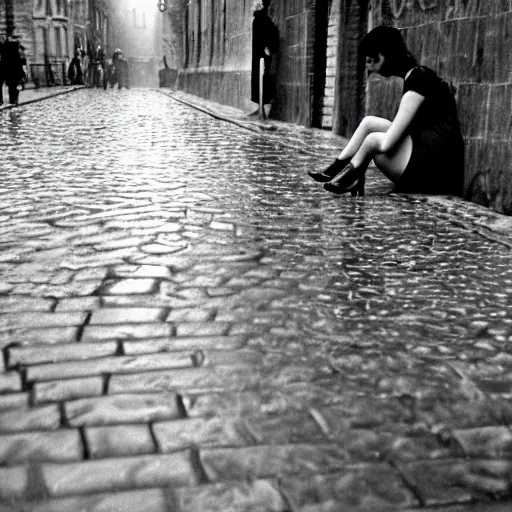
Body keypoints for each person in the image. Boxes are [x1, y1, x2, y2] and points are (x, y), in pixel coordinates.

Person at [309, 25, 464, 197]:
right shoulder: (417, 75)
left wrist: (366, 151)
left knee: (374, 140)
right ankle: (338, 168)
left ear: (385, 55)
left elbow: (387, 143)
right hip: (432, 151)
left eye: (372, 58)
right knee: (369, 123)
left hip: (438, 168)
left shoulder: (418, 80)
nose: (369, 65)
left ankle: (353, 174)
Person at [249, 0, 279, 118]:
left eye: (254, 5)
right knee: (257, 80)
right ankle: (259, 107)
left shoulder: (263, 19)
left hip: (262, 57)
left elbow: (273, 33)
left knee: (262, 79)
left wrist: (269, 48)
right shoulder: (258, 18)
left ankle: (262, 109)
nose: (252, 7)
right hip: (257, 55)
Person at [0, 34, 27, 106]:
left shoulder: (8, 47)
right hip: (12, 69)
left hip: (10, 69)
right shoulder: (14, 48)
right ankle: (13, 100)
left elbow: (22, 61)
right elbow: (22, 61)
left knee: (13, 85)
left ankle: (12, 100)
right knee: (13, 86)